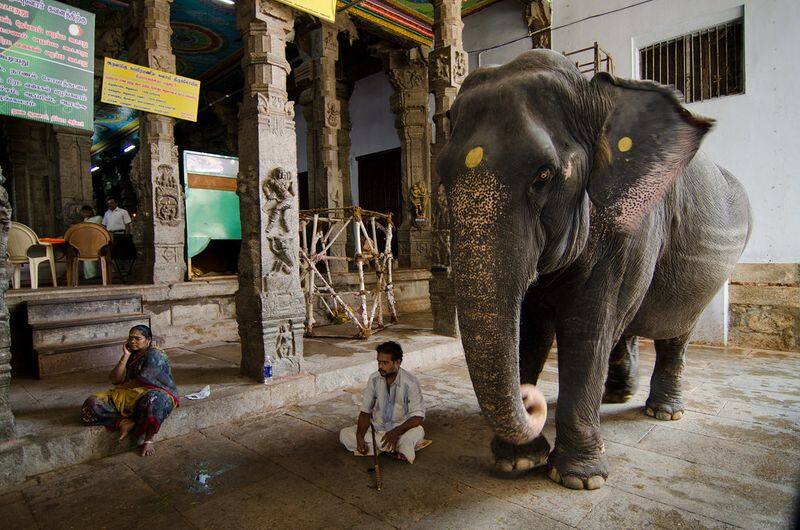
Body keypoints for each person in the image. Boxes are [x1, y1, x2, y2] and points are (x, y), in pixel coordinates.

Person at [81, 325, 179, 457]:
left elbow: (145, 379)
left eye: (137, 338)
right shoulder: (133, 355)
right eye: (130, 338)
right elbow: (115, 379)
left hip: (154, 393)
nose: (132, 341)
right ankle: (124, 422)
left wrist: (122, 389)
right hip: (130, 395)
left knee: (154, 401)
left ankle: (148, 439)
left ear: (148, 340)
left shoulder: (155, 354)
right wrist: (125, 356)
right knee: (91, 403)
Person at [339, 341, 426, 463]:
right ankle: (392, 449)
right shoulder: (374, 379)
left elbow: (417, 417)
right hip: (377, 431)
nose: (380, 366)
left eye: (385, 363)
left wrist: (395, 432)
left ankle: (383, 448)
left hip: (401, 431)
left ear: (398, 362)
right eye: (379, 362)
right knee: (345, 434)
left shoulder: (410, 383)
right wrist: (359, 438)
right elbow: (365, 412)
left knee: (415, 432)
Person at [79, 205, 104, 279]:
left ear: (90, 211)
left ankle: (95, 274)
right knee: (86, 257)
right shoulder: (85, 219)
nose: (84, 214)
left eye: (86, 212)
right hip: (87, 240)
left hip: (96, 240)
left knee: (95, 257)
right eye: (83, 213)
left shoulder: (98, 218)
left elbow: (92, 227)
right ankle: (88, 276)